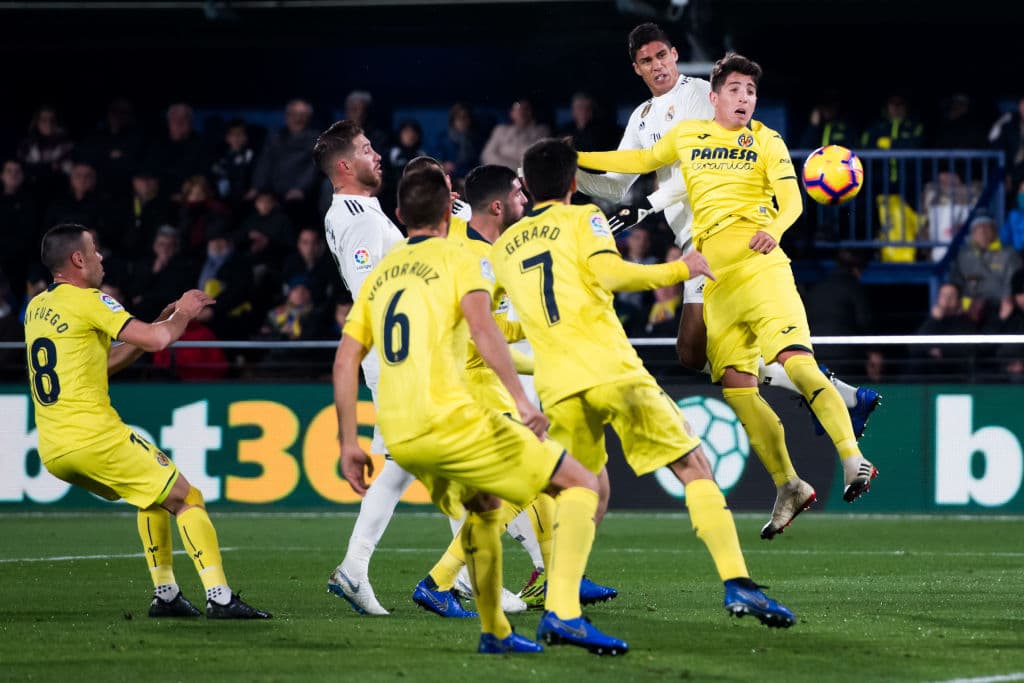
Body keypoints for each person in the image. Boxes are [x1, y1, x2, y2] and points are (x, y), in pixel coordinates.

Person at [492, 138, 796, 628]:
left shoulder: (504, 247)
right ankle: (739, 584)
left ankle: (562, 611)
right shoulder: (584, 219)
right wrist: (682, 268)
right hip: (611, 370)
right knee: (694, 465)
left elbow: (502, 324)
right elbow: (610, 274)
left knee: (580, 491)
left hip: (557, 387)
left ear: (526, 184)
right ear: (573, 182)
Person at [576, 53, 879, 541]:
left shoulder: (766, 140)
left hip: (761, 266)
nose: (745, 99)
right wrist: (576, 158)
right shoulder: (689, 136)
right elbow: (635, 162)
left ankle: (852, 457)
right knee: (738, 387)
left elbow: (794, 199)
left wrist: (774, 230)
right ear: (714, 98)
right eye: (736, 90)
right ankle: (789, 486)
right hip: (714, 276)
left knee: (797, 360)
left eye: (751, 92)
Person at [336, 167, 626, 654]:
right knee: (584, 482)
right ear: (453, 210)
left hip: (402, 430)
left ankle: (494, 629)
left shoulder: (382, 272)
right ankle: (563, 611)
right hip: (453, 416)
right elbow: (485, 331)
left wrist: (348, 441)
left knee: (488, 506)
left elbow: (346, 358)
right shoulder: (460, 257)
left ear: (400, 214)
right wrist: (521, 399)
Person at [24, 223, 268, 618]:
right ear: (77, 259)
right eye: (95, 250)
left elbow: (101, 364)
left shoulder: (37, 307)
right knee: (187, 497)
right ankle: (220, 597)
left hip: (54, 447)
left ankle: (166, 594)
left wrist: (155, 323)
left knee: (152, 496)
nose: (101, 257)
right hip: (94, 435)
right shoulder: (91, 300)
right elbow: (158, 342)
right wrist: (184, 315)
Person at [315, 119, 413, 616]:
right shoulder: (358, 218)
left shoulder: (365, 212)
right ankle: (463, 577)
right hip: (398, 355)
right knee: (461, 453)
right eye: (367, 148)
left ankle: (356, 569)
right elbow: (372, 292)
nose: (378, 154)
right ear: (345, 165)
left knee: (408, 462)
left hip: (398, 355)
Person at [948, 214, 1022, 325]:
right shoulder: (963, 256)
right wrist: (965, 306)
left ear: (995, 231)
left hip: (1000, 306)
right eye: (978, 228)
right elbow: (957, 282)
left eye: (986, 227)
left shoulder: (1009, 254)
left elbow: (1013, 284)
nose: (982, 231)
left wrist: (1006, 303)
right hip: (970, 310)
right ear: (972, 233)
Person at [480, 98, 549, 170]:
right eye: (518, 107)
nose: (522, 111)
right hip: (501, 174)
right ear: (511, 113)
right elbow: (487, 155)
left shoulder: (541, 131)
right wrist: (513, 167)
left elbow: (534, 158)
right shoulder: (500, 130)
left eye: (526, 108)